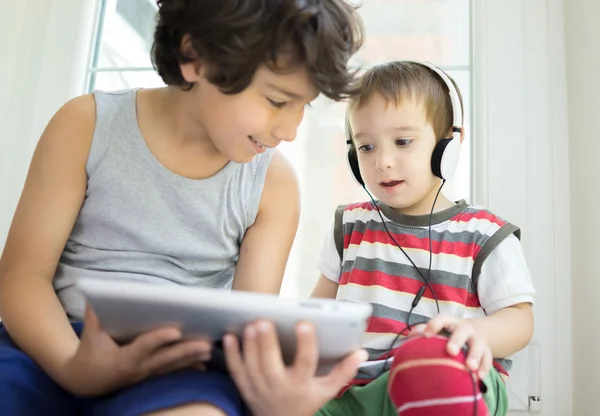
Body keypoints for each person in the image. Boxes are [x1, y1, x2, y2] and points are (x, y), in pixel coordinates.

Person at [0, 1, 366, 415]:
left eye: (304, 106)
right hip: (50, 345)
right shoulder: (86, 123)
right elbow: (22, 277)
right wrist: (73, 366)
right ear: (195, 57)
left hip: (181, 371)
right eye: (278, 101)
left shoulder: (273, 186)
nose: (290, 130)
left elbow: (248, 333)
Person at [224, 61, 536, 416]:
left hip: (446, 376)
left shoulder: (485, 234)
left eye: (403, 142)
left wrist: (477, 333)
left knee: (431, 360)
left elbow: (520, 320)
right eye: (366, 147)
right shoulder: (351, 226)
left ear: (448, 144)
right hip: (355, 391)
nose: (382, 161)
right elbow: (319, 313)